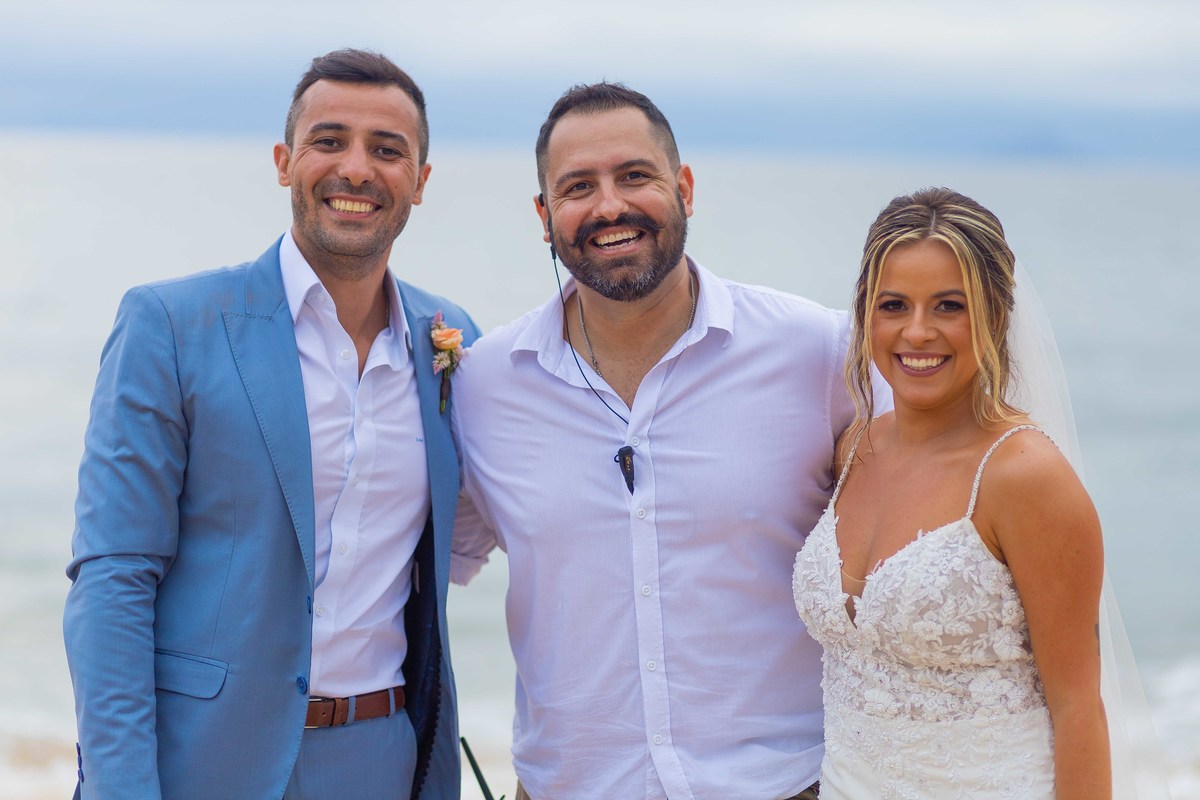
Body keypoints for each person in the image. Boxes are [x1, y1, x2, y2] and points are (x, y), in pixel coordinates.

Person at [63, 49, 478, 800]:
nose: (356, 168)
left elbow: (479, 529)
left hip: (382, 759)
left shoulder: (453, 342)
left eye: (387, 150)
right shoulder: (172, 324)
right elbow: (114, 578)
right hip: (202, 763)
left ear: (419, 181)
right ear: (286, 161)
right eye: (329, 141)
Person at [450, 82, 874, 799]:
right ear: (544, 214)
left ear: (684, 188)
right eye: (578, 186)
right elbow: (413, 568)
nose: (610, 205)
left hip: (788, 785)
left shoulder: (820, 352)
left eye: (635, 176)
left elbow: (939, 515)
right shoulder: (484, 385)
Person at [793, 187, 1111, 798]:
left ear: (995, 315)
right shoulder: (855, 447)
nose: (917, 332)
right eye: (893, 305)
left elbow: (1078, 709)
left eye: (948, 306)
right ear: (865, 313)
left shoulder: (1025, 477)